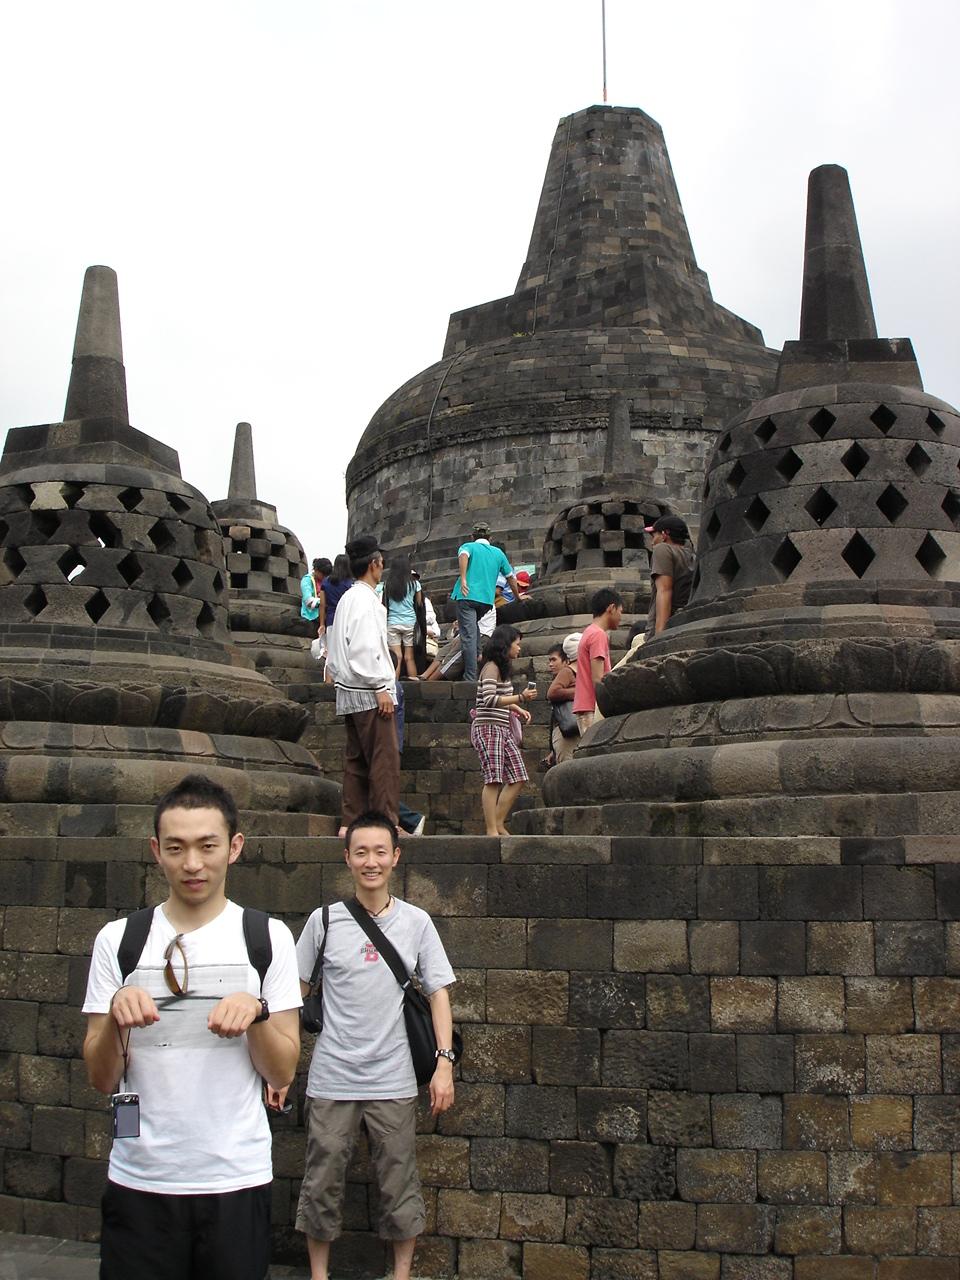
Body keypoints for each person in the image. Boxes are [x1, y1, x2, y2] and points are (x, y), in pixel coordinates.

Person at [81, 774, 302, 1280]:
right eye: (177, 848)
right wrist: (116, 1016)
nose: (193, 864)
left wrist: (257, 1014)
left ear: (234, 847)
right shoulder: (119, 940)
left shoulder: (266, 938)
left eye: (208, 846)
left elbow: (282, 1070)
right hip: (141, 1177)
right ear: (156, 851)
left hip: (234, 1176)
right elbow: (100, 1077)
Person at [294, 812, 456, 1280]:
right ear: (347, 858)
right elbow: (293, 993)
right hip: (332, 1077)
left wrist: (444, 1064)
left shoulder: (416, 922)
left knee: (399, 1181)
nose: (371, 862)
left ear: (395, 857)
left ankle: (400, 1274)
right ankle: (319, 1275)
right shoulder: (324, 921)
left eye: (380, 852)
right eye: (361, 852)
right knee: (321, 1182)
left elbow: (439, 993)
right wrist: (280, 1066)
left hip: (393, 1077)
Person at [325, 535, 399, 835]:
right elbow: (364, 647)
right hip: (369, 692)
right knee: (383, 762)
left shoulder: (346, 599)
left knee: (356, 762)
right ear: (374, 564)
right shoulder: (365, 601)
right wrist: (380, 686)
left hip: (349, 690)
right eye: (381, 562)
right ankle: (385, 823)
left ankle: (350, 822)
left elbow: (335, 645)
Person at [471, 624, 537, 835]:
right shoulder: (491, 667)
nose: (519, 648)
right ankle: (491, 829)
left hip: (502, 729)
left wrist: (517, 707)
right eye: (517, 644)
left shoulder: (501, 669)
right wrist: (520, 698)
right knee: (493, 779)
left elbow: (500, 697)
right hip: (488, 728)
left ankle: (499, 822)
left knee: (518, 776)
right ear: (505, 644)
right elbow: (489, 699)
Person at [450, 522, 521, 681]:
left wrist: (463, 578)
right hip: (486, 602)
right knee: (473, 628)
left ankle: (470, 677)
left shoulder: (468, 546)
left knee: (468, 636)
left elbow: (463, 555)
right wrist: (517, 597)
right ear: (490, 537)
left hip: (467, 597)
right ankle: (478, 654)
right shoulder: (498, 553)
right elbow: (511, 577)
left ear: (472, 536)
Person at [573, 588, 623, 734]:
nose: (621, 617)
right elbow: (598, 678)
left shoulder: (589, 632)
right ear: (611, 608)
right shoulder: (598, 635)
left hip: (586, 705)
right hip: (593, 707)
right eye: (620, 611)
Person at [644, 515, 696, 638]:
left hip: (667, 627)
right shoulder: (692, 556)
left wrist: (659, 636)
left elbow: (664, 590)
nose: (652, 542)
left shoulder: (663, 549)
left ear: (664, 534)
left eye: (654, 536)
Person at [383, 553, 423, 681]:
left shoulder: (388, 584)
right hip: (409, 622)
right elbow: (419, 603)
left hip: (392, 623)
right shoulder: (414, 583)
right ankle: (414, 684)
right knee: (409, 658)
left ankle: (393, 685)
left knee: (397, 657)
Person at [546, 633, 580, 766]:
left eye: (554, 660)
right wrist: (581, 692)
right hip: (567, 733)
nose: (550, 664)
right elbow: (552, 693)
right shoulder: (567, 672)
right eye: (550, 660)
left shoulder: (574, 673)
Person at [301, 557, 332, 625]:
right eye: (323, 574)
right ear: (316, 570)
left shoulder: (327, 581)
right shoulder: (307, 580)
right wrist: (323, 601)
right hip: (311, 617)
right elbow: (308, 601)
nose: (325, 577)